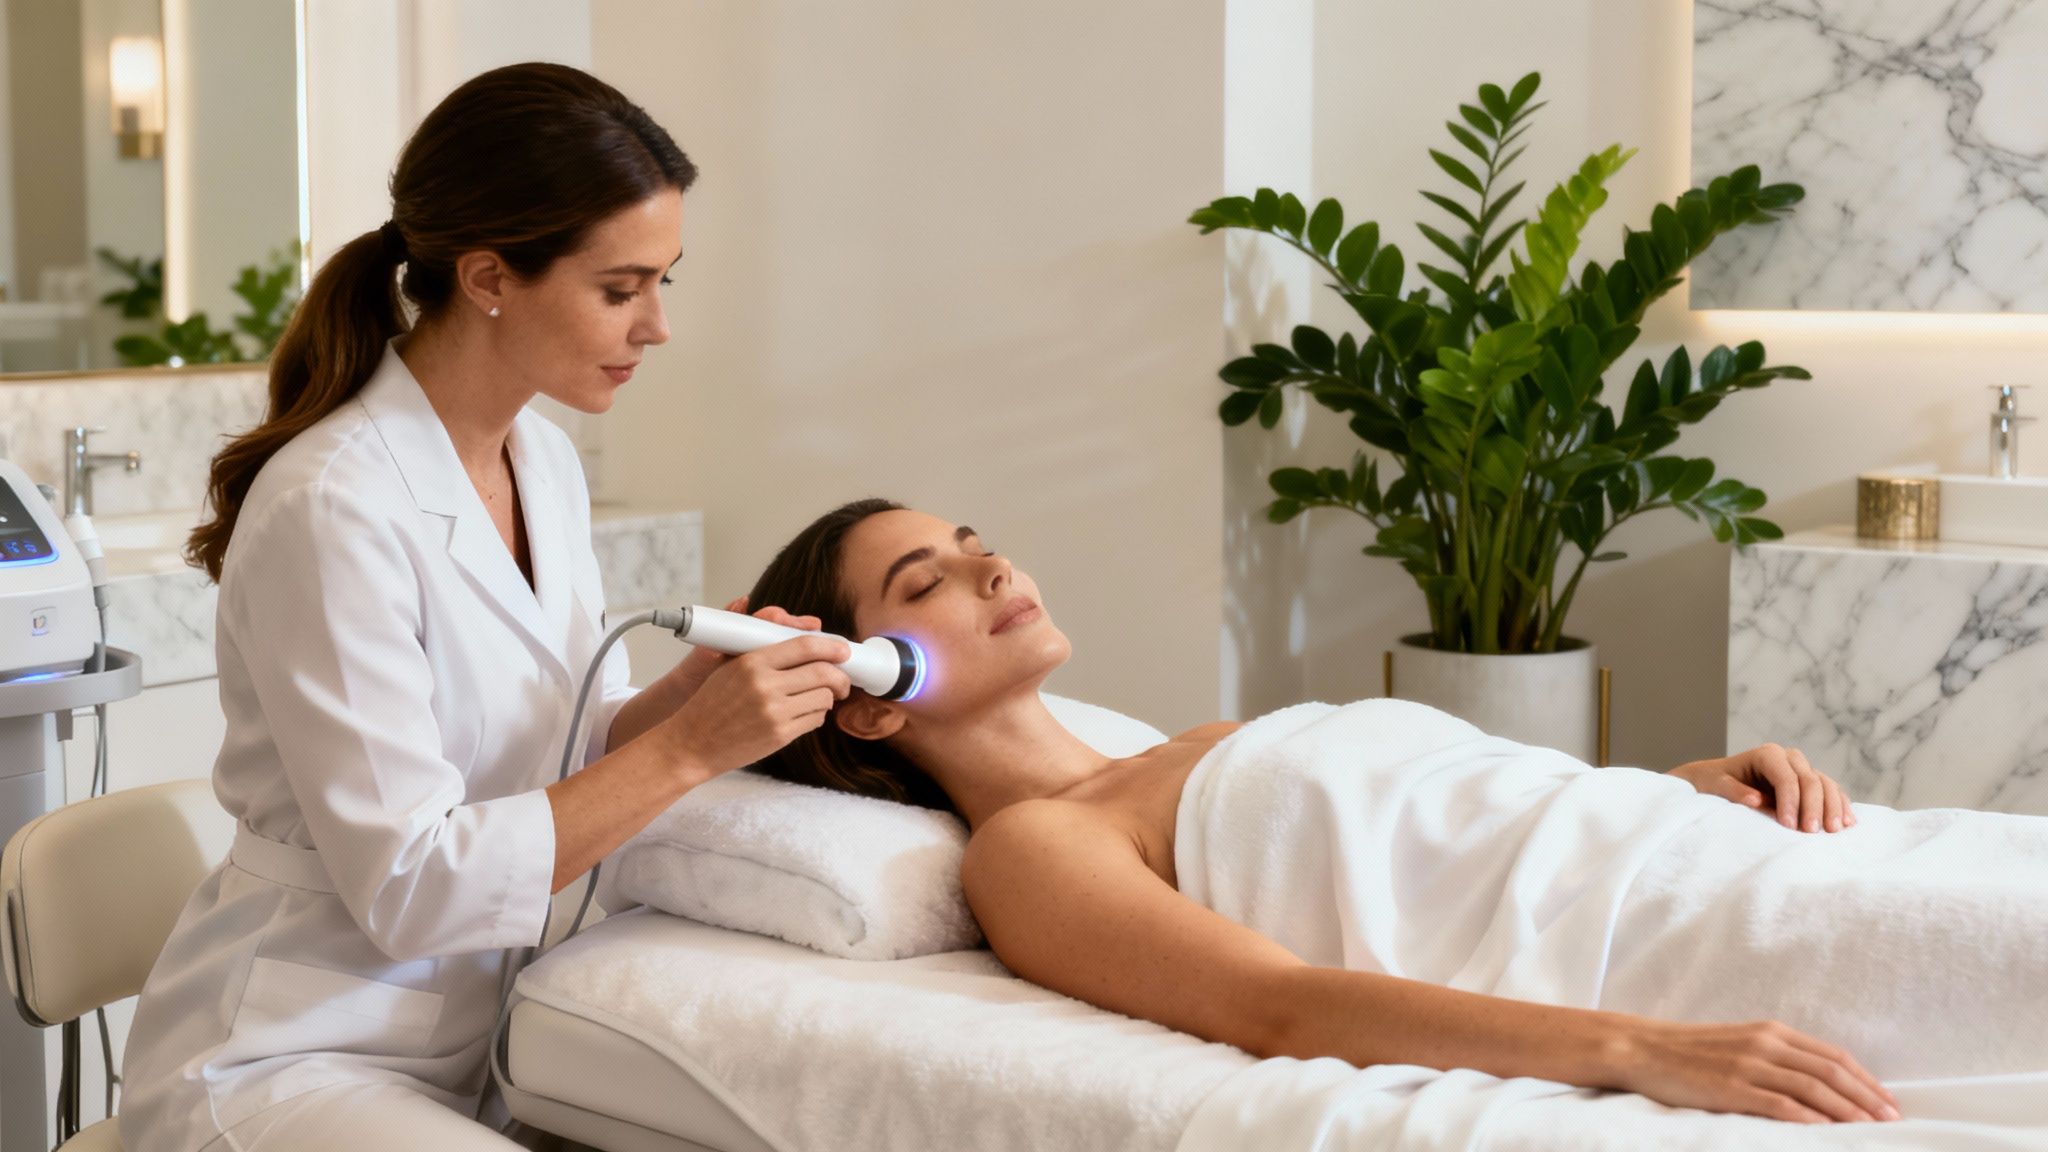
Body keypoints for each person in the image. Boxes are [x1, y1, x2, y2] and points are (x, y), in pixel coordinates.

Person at [739, 497, 2040, 1129]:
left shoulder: (1202, 739)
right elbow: (1279, 1008)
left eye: (975, 540)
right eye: (930, 580)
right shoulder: (1039, 850)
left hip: (1714, 848)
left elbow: (1473, 817)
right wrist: (1646, 1050)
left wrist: (1688, 783)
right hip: (1668, 947)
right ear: (868, 700)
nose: (991, 564)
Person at [119, 63, 855, 1152]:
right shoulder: (335, 506)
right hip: (291, 1052)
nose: (655, 326)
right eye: (619, 289)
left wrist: (685, 700)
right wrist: (692, 749)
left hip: (480, 1027)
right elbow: (411, 886)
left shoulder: (541, 461)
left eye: (665, 281)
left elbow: (567, 741)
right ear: (488, 276)